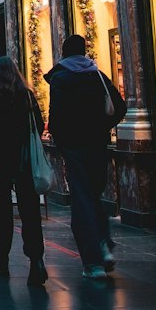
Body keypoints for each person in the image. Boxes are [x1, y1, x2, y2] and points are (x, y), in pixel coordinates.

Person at [46, 34, 126, 280]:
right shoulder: (98, 76)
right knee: (93, 195)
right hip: (98, 145)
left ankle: (93, 262)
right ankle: (103, 243)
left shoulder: (60, 78)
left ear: (64, 52)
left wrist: (62, 142)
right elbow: (120, 108)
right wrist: (103, 127)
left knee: (81, 201)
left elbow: (56, 116)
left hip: (75, 147)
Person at [0, 56, 48, 286]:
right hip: (24, 160)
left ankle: (2, 261)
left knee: (2, 209)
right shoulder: (25, 95)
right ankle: (36, 260)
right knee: (30, 211)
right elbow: (39, 122)